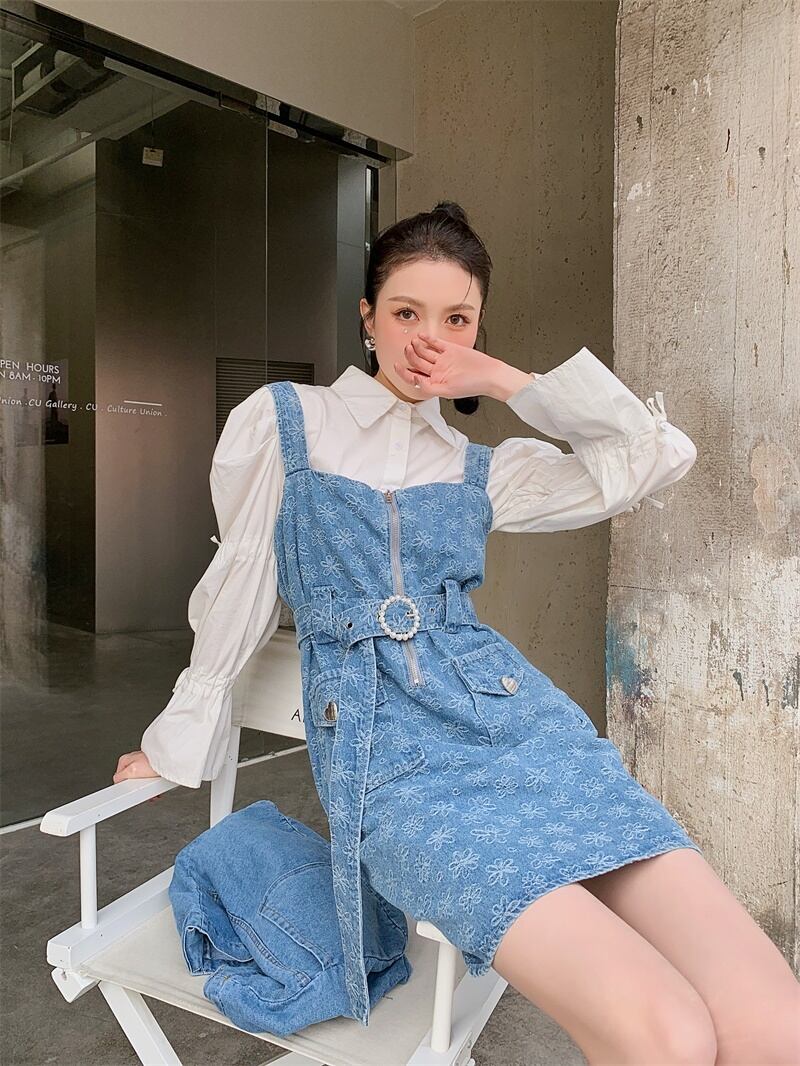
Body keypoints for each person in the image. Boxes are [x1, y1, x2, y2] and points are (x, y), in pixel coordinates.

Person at [115, 202, 800, 1061]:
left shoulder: (484, 470)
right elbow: (240, 584)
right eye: (407, 313)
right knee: (668, 1035)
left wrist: (506, 381)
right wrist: (179, 740)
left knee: (775, 1024)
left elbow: (658, 455)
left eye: (456, 321)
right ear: (367, 317)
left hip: (524, 732)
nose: (427, 342)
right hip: (392, 766)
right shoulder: (286, 422)